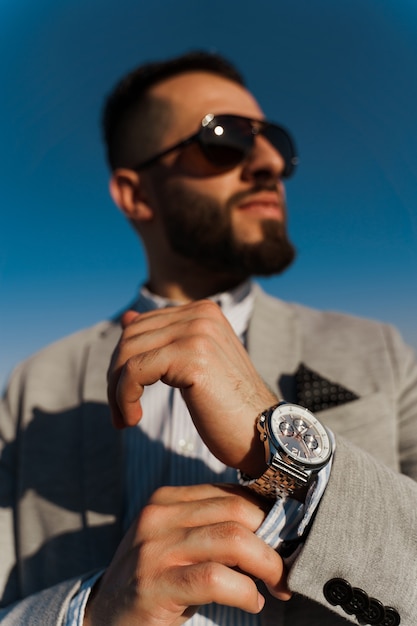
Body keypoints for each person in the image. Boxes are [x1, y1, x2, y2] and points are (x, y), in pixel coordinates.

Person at [0, 50, 416, 626]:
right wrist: (85, 614)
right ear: (135, 194)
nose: (268, 160)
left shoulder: (381, 352)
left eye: (275, 141)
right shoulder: (33, 387)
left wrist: (287, 457)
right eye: (226, 138)